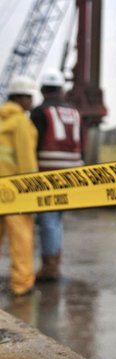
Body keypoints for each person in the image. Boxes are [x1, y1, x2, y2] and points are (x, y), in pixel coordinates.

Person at [31, 68, 83, 282]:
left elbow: (32, 144)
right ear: (61, 89)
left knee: (48, 220)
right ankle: (54, 261)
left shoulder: (39, 112)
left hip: (47, 171)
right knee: (57, 219)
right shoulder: (74, 112)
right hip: (71, 171)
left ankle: (50, 267)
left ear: (43, 89)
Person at [0, 75, 39, 296]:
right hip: (14, 191)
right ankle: (22, 284)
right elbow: (26, 160)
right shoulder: (21, 122)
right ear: (21, 97)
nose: (31, 102)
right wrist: (31, 192)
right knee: (21, 238)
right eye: (30, 97)